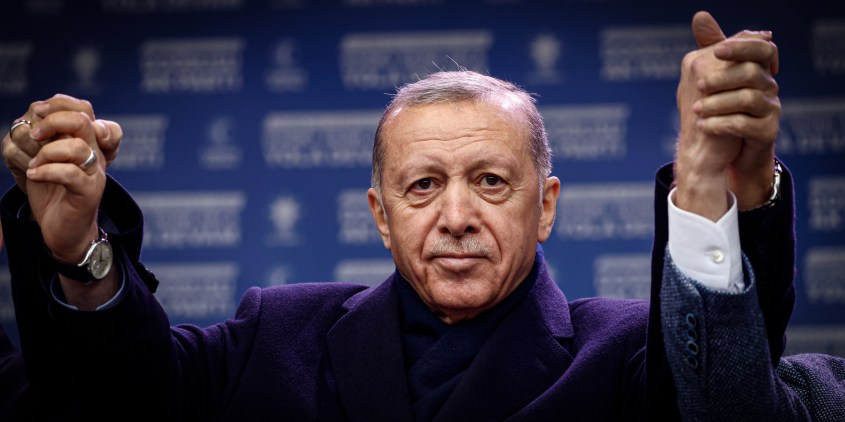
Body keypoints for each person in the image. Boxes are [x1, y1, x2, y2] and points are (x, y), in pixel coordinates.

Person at [0, 11, 818, 420]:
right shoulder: (271, 337)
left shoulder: (633, 356)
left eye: (491, 182)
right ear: (380, 215)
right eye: (421, 187)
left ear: (547, 207)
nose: (455, 215)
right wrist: (78, 252)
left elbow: (726, 403)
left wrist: (708, 189)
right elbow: (112, 399)